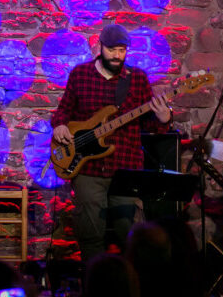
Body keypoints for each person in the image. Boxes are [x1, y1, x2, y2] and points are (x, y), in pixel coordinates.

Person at [51, 24, 172, 264]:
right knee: (90, 233)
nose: (117, 56)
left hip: (125, 168)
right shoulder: (80, 75)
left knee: (129, 235)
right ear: (100, 47)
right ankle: (94, 279)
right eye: (112, 50)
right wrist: (60, 125)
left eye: (122, 51)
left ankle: (130, 280)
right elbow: (63, 110)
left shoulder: (137, 79)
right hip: (87, 168)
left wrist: (164, 118)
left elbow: (151, 125)